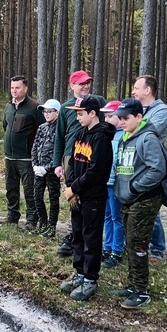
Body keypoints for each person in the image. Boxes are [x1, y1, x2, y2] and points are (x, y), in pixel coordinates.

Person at [112, 98, 166, 310]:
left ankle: (141, 291)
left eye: (126, 118)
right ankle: (133, 284)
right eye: (120, 118)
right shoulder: (127, 137)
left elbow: (157, 169)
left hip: (144, 199)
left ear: (138, 117)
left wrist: (135, 187)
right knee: (130, 241)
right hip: (128, 198)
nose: (122, 122)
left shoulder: (147, 139)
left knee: (138, 242)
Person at [60, 95, 115, 301]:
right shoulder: (80, 134)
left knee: (91, 238)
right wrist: (70, 186)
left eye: (81, 114)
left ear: (93, 113)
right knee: (78, 236)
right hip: (77, 196)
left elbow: (96, 171)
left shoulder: (101, 138)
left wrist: (74, 188)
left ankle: (90, 279)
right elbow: (72, 163)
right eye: (76, 114)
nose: (78, 118)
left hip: (92, 197)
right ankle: (79, 273)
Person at [53, 71, 106, 256]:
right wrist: (57, 163)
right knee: (73, 196)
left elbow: (108, 123)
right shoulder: (66, 108)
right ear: (72, 85)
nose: (85, 86)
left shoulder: (98, 102)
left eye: (88, 83)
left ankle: (90, 238)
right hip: (70, 158)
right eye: (81, 83)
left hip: (91, 156)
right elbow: (59, 137)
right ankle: (73, 235)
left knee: (89, 195)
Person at [132, 75, 167, 261]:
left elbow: (148, 130)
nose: (133, 91)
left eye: (136, 88)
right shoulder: (140, 109)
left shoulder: (162, 111)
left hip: (151, 165)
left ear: (147, 90)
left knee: (151, 207)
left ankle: (157, 248)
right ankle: (140, 244)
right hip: (134, 163)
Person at [2, 75, 44, 230]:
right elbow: (5, 126)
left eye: (17, 87)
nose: (14, 90)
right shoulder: (8, 106)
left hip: (26, 158)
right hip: (9, 157)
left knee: (29, 190)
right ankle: (12, 216)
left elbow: (42, 131)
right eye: (12, 87)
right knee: (11, 189)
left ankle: (32, 220)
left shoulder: (34, 107)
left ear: (25, 89)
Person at [31, 99, 61, 238]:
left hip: (52, 171)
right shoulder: (42, 127)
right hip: (39, 169)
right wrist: (35, 165)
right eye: (45, 111)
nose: (46, 114)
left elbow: (59, 152)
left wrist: (48, 168)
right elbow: (35, 146)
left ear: (57, 112)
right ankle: (42, 223)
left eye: (50, 111)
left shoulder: (60, 128)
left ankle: (51, 226)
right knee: (37, 196)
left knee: (53, 198)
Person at [100, 101, 125, 268]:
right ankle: (107, 247)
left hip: (116, 183)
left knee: (117, 217)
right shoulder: (106, 134)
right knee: (106, 216)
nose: (107, 119)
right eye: (105, 116)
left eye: (111, 116)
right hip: (104, 181)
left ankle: (117, 250)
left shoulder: (124, 135)